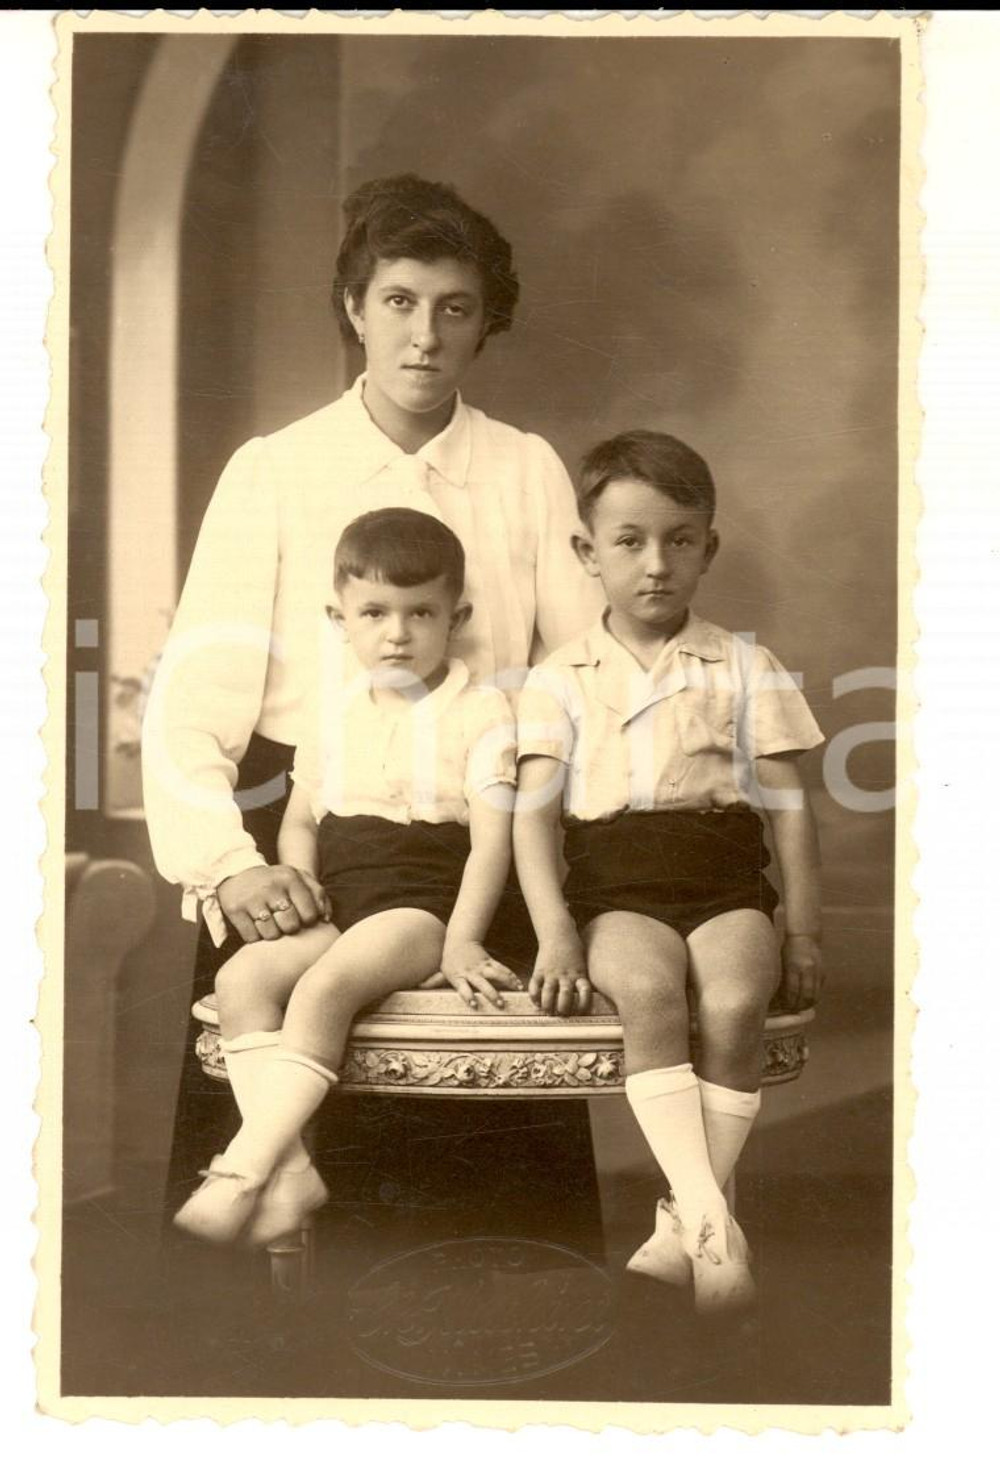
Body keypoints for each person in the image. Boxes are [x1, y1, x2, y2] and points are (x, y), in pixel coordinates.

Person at [141, 174, 603, 1208]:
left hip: (478, 843)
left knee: (482, 1198)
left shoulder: (524, 468)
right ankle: (271, 1189)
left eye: (455, 308)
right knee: (275, 1169)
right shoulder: (274, 468)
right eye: (398, 301)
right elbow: (191, 701)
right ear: (354, 309)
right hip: (303, 849)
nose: (424, 336)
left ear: (485, 324)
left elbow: (582, 680)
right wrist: (229, 867)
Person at [513, 429, 825, 1313]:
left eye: (680, 540)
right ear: (587, 552)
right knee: (648, 995)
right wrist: (555, 932)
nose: (656, 563)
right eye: (629, 541)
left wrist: (802, 929)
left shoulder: (744, 664)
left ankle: (683, 1222)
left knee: (734, 1001)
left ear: (708, 549)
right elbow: (532, 819)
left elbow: (790, 810)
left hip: (724, 879)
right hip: (616, 888)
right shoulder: (559, 677)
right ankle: (712, 1223)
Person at [174, 509, 520, 1245]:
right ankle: (293, 1170)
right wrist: (300, 885)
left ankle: (242, 1167)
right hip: (338, 904)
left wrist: (461, 938)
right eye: (375, 613)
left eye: (420, 612)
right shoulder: (332, 715)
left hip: (420, 909)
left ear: (456, 618)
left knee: (325, 986)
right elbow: (302, 820)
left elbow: (493, 844)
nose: (397, 633)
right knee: (242, 979)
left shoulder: (482, 710)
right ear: (340, 619)